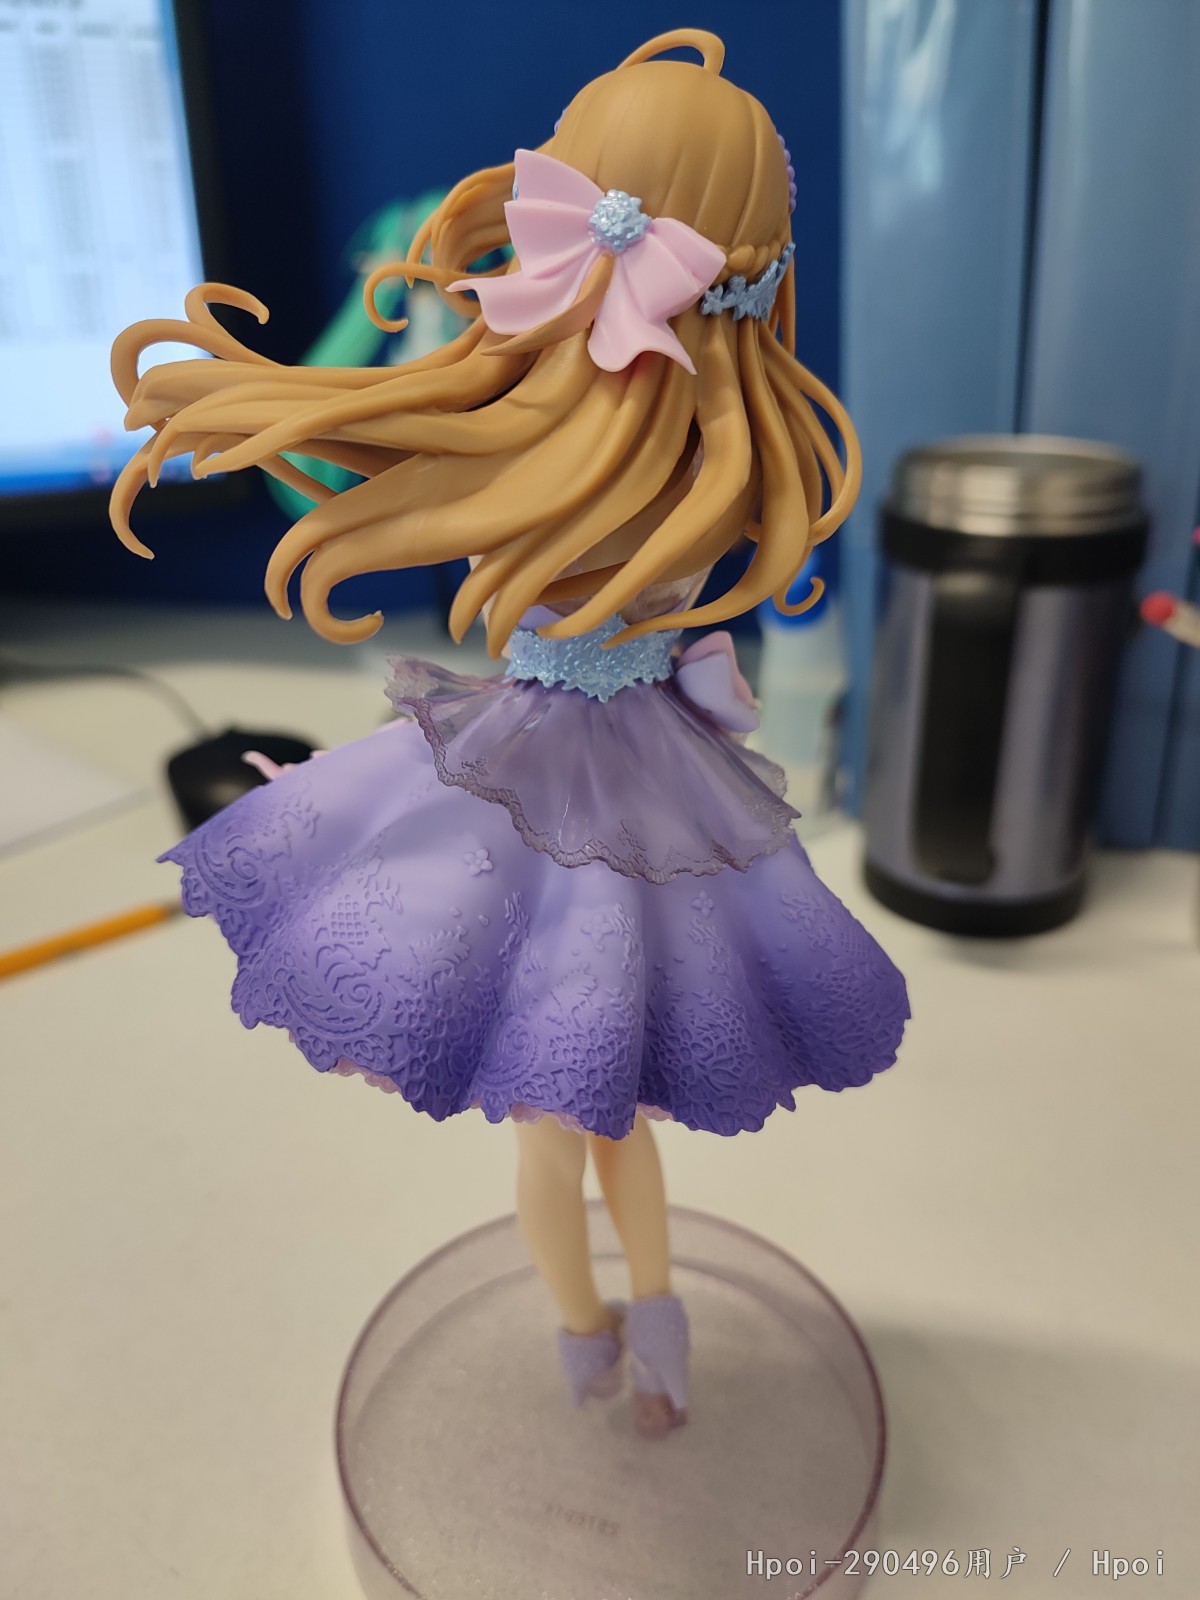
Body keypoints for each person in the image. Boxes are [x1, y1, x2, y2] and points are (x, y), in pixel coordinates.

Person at [110, 28, 909, 1439]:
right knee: (590, 1122)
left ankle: (612, 1329)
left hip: (601, 773)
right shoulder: (704, 451)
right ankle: (614, 1328)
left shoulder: (579, 432)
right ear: (765, 268)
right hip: (598, 777)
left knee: (581, 1125)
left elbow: (372, 479)